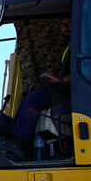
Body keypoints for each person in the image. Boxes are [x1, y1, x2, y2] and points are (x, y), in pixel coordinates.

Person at [8, 18, 71, 154]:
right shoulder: (68, 48)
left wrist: (59, 79)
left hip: (74, 91)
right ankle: (13, 139)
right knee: (28, 97)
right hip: (63, 88)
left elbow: (86, 72)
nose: (65, 29)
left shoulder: (83, 47)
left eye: (68, 24)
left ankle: (21, 142)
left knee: (34, 99)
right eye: (62, 25)